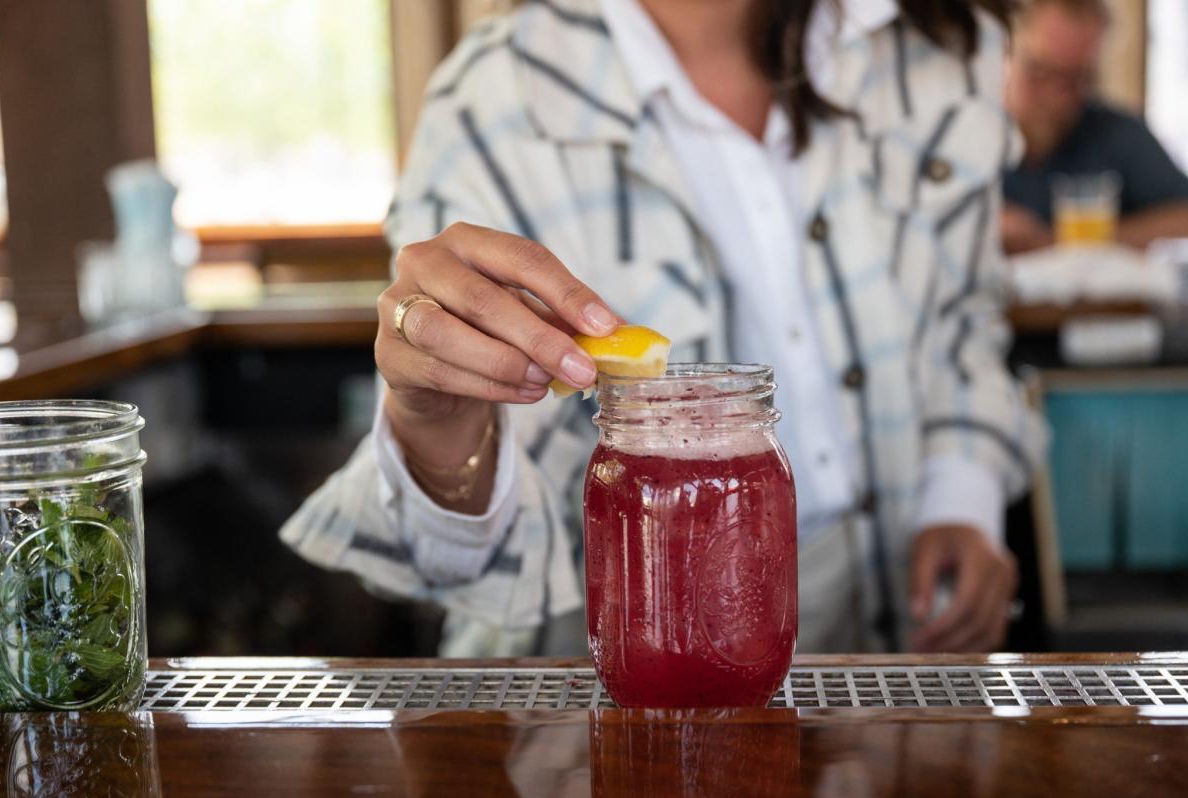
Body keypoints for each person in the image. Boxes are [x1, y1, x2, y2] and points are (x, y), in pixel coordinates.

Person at [282, 0, 1046, 656]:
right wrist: (436, 425)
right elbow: (448, 565)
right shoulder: (491, 99)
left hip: (894, 625)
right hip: (609, 675)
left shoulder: (937, 45)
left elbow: (963, 317)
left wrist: (961, 497)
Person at [1002, 0, 1188, 254]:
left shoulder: (1116, 134)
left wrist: (1063, 244)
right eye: (1040, 72)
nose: (1056, 97)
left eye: (1076, 78)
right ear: (1004, 53)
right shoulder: (967, 136)